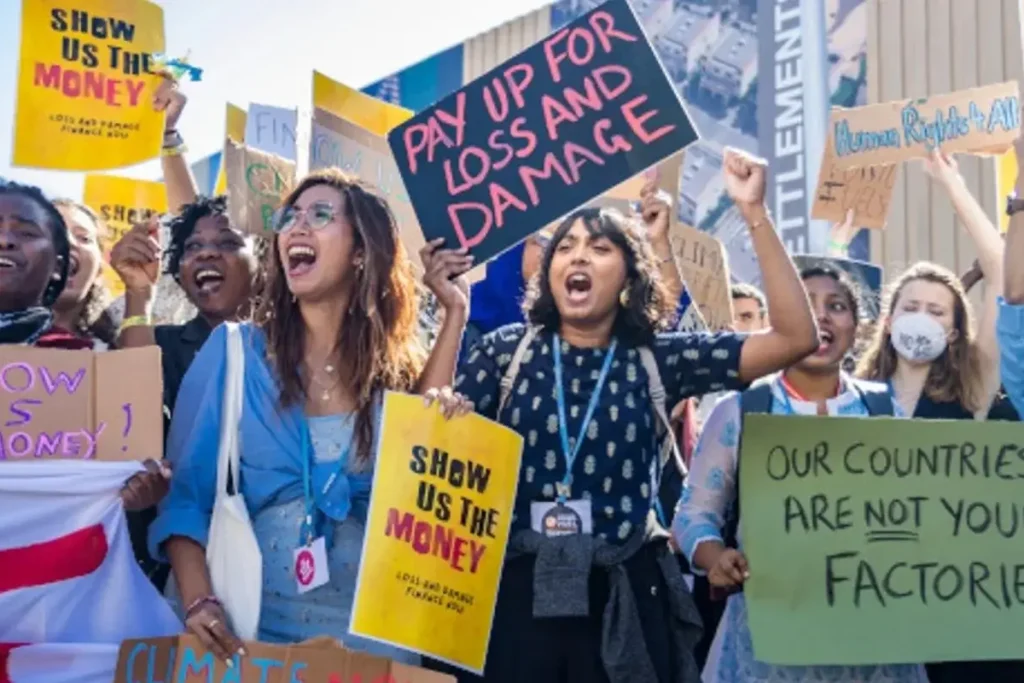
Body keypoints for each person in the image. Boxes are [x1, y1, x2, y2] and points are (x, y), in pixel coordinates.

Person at [434, 149, 819, 683]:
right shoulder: (505, 352)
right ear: (548, 272)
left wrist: (754, 212)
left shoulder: (659, 356)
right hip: (511, 601)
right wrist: (447, 378)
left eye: (600, 247)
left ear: (630, 273)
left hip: (627, 602)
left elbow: (796, 338)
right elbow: (427, 442)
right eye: (564, 247)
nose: (578, 257)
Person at [149, 168, 471, 662]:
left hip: (373, 638)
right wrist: (199, 601)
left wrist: (455, 315)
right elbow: (184, 500)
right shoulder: (235, 353)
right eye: (290, 216)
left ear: (361, 249)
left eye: (320, 215)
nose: (296, 227)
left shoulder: (399, 372)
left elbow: (423, 485)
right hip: (248, 630)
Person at [675, 266, 928, 683]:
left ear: (856, 327)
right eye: (805, 305)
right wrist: (716, 557)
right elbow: (693, 514)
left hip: (873, 647)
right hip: (768, 647)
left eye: (837, 306)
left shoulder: (886, 412)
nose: (821, 317)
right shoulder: (740, 413)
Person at [0, 180, 168, 509]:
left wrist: (133, 484)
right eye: (61, 232)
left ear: (58, 266)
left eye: (27, 233)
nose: (6, 241)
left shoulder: (102, 362)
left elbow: (137, 452)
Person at [856, 150, 1004, 421]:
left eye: (936, 312)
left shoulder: (972, 387)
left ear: (953, 333)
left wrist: (952, 184)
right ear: (888, 322)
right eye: (911, 307)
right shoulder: (856, 394)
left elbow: (999, 271)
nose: (920, 318)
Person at [50, 199, 120, 349]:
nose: (69, 241)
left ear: (99, 271)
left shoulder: (111, 352)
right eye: (55, 233)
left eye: (83, 238)